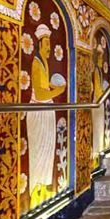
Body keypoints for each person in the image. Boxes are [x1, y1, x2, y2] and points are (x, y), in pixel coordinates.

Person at [27, 24, 66, 208]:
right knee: (39, 153)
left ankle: (42, 189)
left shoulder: (44, 62)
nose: (49, 47)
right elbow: (41, 94)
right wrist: (58, 91)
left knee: (48, 150)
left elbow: (44, 86)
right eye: (47, 43)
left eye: (50, 43)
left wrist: (54, 87)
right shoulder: (36, 64)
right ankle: (35, 192)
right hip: (39, 112)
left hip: (46, 111)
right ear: (40, 44)